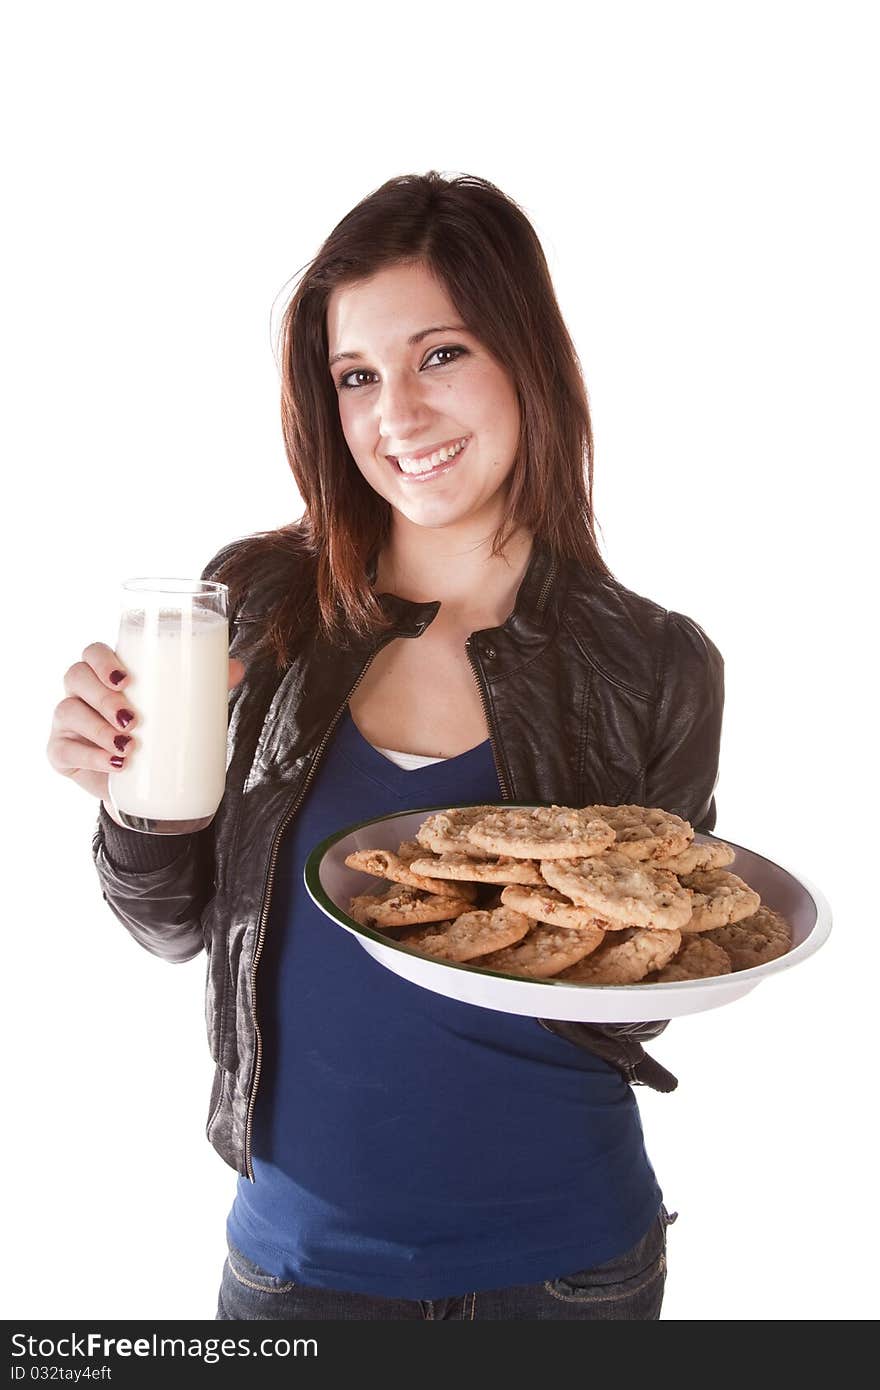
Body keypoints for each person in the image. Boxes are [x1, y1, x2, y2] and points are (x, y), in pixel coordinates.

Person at [47, 171, 723, 1321]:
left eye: (440, 355)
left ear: (528, 360)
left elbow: (639, 999)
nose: (395, 416)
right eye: (356, 375)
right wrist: (133, 801)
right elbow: (169, 927)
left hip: (570, 1267)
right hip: (297, 1266)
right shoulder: (255, 605)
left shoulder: (655, 661)